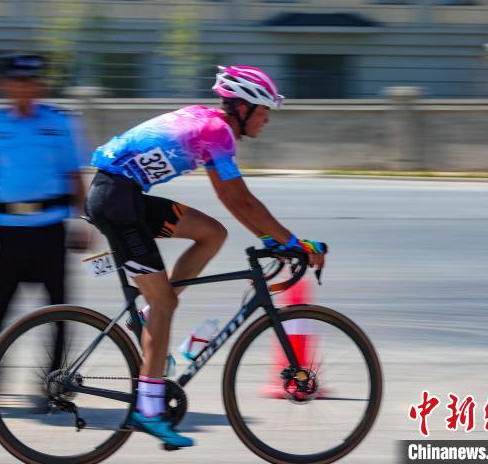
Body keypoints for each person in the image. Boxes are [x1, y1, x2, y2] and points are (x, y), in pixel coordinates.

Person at [85, 65, 327, 447]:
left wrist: (275, 240)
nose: (266, 120)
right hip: (118, 203)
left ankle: (147, 317)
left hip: (123, 195)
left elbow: (234, 203)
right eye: (263, 111)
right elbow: (239, 200)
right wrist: (292, 243)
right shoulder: (217, 131)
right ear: (243, 108)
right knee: (165, 303)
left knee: (212, 233)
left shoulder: (209, 123)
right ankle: (148, 410)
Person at [0, 54, 89, 408]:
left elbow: (75, 175)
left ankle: (55, 386)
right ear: (3, 85)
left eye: (30, 81)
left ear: (40, 85)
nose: (24, 88)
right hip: (8, 233)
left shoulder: (60, 123)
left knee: (59, 314)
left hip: (50, 230)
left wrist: (83, 222)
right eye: (16, 81)